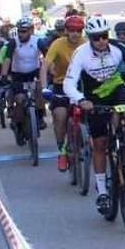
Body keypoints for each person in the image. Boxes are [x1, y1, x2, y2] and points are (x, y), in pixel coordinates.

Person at [63, 16, 125, 216]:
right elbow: (69, 83)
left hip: (116, 89)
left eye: (104, 36)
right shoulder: (81, 54)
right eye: (96, 38)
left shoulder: (118, 49)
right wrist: (81, 100)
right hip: (94, 98)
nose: (101, 41)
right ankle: (103, 191)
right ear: (90, 38)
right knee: (100, 144)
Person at [42, 15, 86, 171]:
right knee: (60, 115)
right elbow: (45, 64)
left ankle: (85, 141)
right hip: (61, 85)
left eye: (79, 31)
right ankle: (61, 151)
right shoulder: (58, 44)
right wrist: (44, 87)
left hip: (82, 86)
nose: (75, 34)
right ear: (66, 31)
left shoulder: (86, 43)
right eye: (72, 31)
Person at [0, 17, 46, 144]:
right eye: (19, 31)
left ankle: (40, 116)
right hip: (18, 75)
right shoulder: (13, 43)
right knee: (19, 100)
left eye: (24, 31)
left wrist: (51, 70)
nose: (21, 34)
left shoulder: (38, 41)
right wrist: (3, 76)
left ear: (31, 30)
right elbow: (7, 60)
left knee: (40, 91)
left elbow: (48, 57)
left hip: (34, 73)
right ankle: (18, 126)